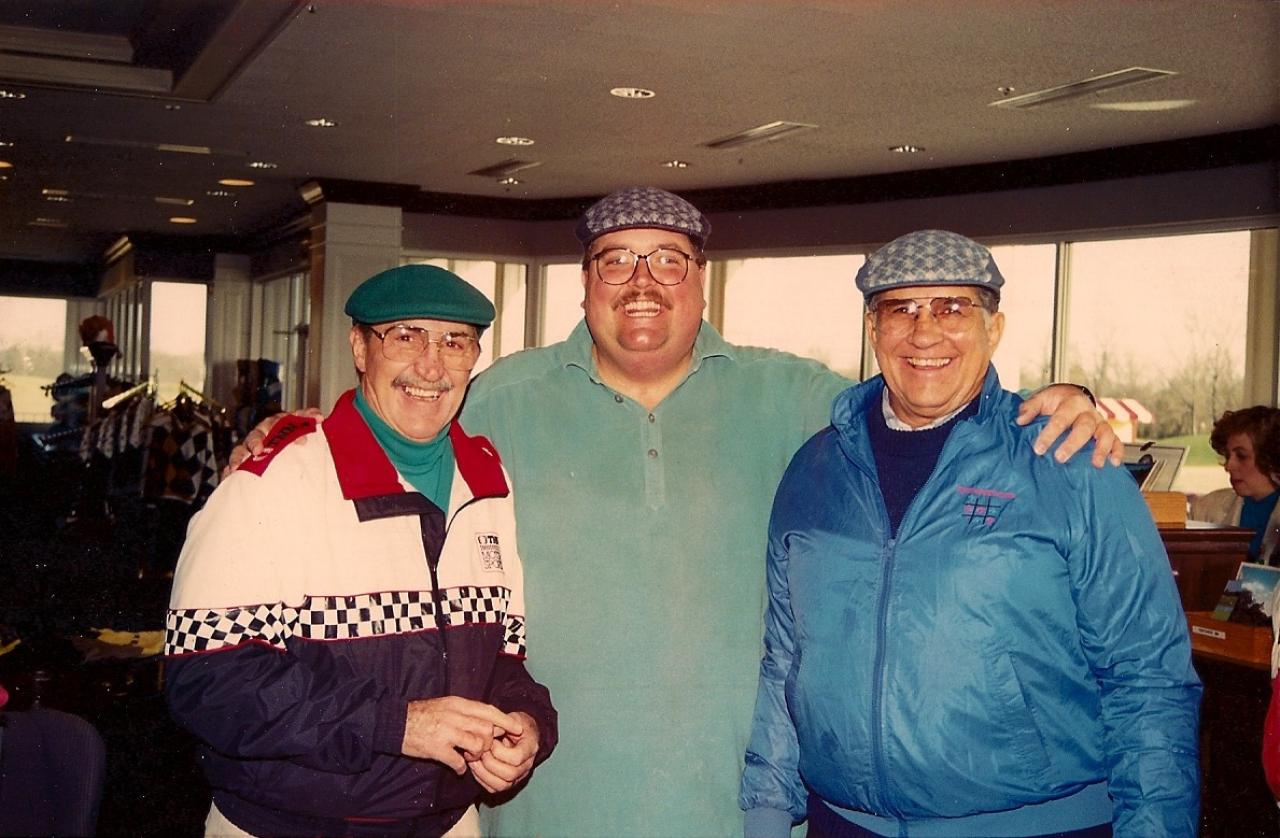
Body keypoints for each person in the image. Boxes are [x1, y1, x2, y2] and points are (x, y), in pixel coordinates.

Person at [235, 188, 1122, 837]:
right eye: (616, 261)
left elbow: (927, 398)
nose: (643, 281)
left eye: (668, 260)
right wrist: (296, 429)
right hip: (543, 800)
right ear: (586, 283)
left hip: (743, 805)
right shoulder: (500, 396)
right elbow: (400, 423)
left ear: (702, 281)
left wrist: (1057, 402)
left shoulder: (794, 394)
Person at [739, 230, 1201, 838]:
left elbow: (1148, 676)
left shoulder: (1068, 462)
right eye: (900, 309)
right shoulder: (816, 469)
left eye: (952, 308)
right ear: (873, 330)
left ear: (994, 328)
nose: (924, 332)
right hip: (844, 825)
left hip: (1037, 827)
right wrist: (768, 813)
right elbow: (785, 659)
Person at [164, 265, 557, 838]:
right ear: (359, 347)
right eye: (405, 337)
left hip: (447, 824)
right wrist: (397, 724)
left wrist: (527, 724)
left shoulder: (489, 483)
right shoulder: (269, 483)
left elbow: (502, 658)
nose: (431, 366)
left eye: (455, 342)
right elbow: (207, 681)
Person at [1189, 406, 1280, 565]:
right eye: (1227, 455)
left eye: (1241, 456)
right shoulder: (1205, 509)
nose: (1228, 466)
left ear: (1271, 459)